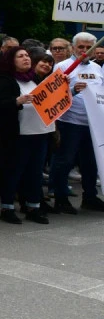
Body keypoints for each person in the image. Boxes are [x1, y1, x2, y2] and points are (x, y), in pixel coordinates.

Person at [0, 47, 51, 224]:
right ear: (11, 60)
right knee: (14, 172)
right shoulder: (6, 81)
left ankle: (33, 206)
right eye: (20, 56)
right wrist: (18, 101)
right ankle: (7, 208)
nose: (26, 59)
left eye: (27, 56)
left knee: (35, 172)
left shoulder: (36, 79)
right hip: (19, 135)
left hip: (40, 132)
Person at [51, 32, 104, 214]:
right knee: (65, 161)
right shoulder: (63, 66)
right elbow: (55, 95)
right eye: (80, 47)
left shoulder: (97, 68)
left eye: (88, 46)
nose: (84, 50)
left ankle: (90, 197)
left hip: (92, 124)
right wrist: (73, 90)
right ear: (73, 48)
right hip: (70, 122)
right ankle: (60, 198)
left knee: (90, 163)